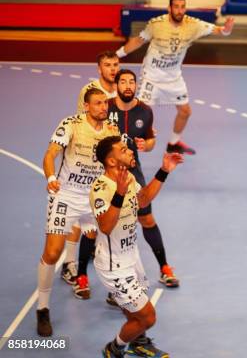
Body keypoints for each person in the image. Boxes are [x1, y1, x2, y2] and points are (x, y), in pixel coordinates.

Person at [36, 88, 119, 336]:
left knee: (114, 244)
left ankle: (118, 291)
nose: (104, 107)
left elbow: (117, 162)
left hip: (95, 197)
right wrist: (51, 177)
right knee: (52, 252)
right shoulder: (71, 124)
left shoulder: (112, 130)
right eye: (98, 103)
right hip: (67, 196)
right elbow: (51, 153)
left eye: (105, 103)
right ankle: (42, 310)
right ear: (86, 106)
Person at [91, 136, 182, 357]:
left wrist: (163, 171)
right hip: (114, 267)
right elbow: (105, 226)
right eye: (124, 149)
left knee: (135, 309)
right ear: (111, 161)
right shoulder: (100, 188)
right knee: (148, 317)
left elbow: (142, 200)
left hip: (131, 256)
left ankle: (138, 342)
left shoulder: (129, 177)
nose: (130, 151)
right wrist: (119, 194)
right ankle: (115, 349)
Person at [115, 0, 235, 154]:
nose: (179, 10)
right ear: (169, 8)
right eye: (176, 7)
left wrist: (226, 30)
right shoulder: (156, 24)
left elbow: (220, 31)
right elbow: (138, 40)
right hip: (152, 76)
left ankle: (173, 143)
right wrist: (117, 55)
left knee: (185, 111)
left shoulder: (193, 25)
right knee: (139, 113)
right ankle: (122, 146)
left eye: (182, 7)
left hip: (174, 78)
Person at [107, 69, 179, 291]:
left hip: (131, 170)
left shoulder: (144, 111)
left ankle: (164, 268)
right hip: (104, 171)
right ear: (117, 85)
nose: (128, 85)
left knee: (146, 218)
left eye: (131, 82)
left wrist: (144, 145)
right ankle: (80, 273)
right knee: (97, 226)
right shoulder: (106, 107)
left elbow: (150, 142)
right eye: (123, 82)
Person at [65, 50, 120, 302]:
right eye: (107, 65)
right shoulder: (90, 91)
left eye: (115, 64)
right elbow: (82, 125)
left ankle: (111, 278)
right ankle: (73, 267)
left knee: (107, 223)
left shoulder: (122, 88)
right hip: (87, 163)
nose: (112, 69)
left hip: (112, 161)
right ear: (99, 68)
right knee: (84, 222)